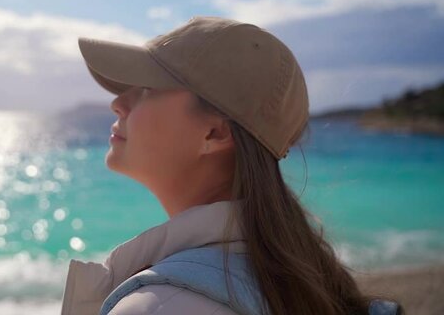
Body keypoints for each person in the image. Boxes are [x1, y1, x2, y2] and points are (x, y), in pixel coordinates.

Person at [60, 16, 403, 315]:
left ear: (215, 132)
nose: (118, 103)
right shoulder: (292, 279)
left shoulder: (157, 306)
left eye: (147, 88)